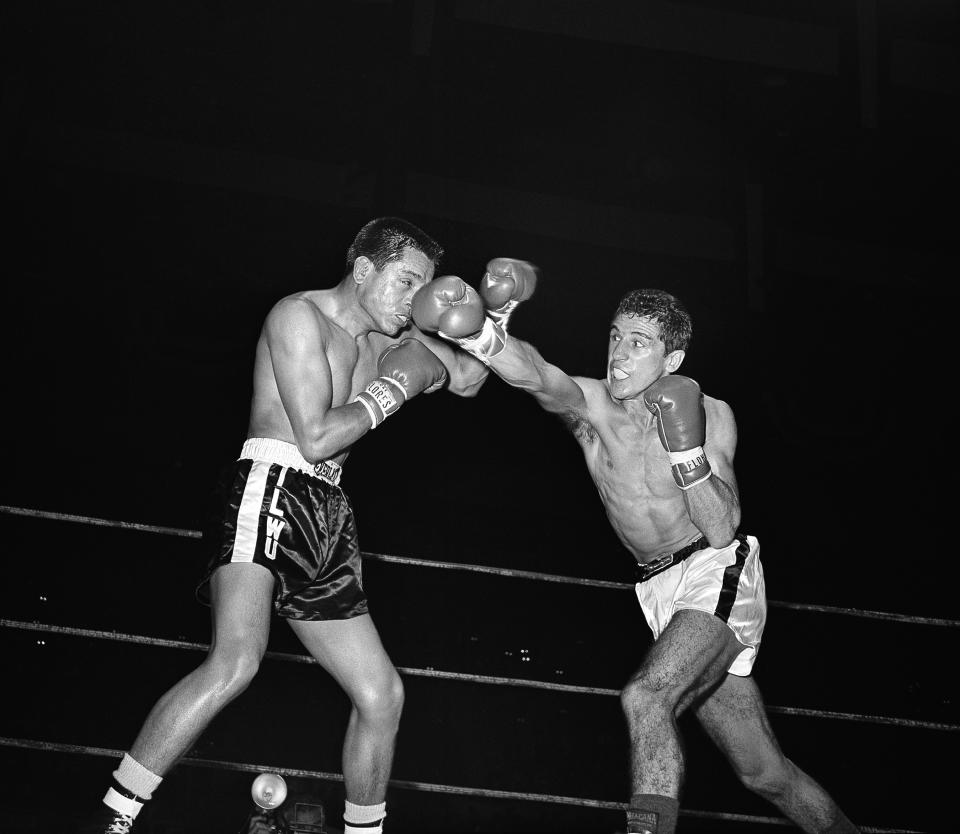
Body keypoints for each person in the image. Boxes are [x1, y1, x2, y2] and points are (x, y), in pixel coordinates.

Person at [85, 217, 510, 834]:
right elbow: (314, 438)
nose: (416, 297)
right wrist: (395, 388)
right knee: (236, 661)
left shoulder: (390, 340)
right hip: (272, 484)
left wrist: (493, 318)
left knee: (381, 695)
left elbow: (469, 379)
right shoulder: (297, 317)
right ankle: (113, 818)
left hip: (329, 512)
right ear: (364, 268)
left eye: (425, 285)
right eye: (406, 279)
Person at [417, 283, 859, 834]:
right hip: (657, 591)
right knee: (764, 773)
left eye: (639, 343)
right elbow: (534, 371)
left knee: (646, 698)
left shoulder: (711, 413)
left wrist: (686, 449)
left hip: (715, 568)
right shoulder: (593, 407)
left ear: (671, 359)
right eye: (616, 337)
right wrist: (481, 334)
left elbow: (722, 527)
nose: (619, 355)